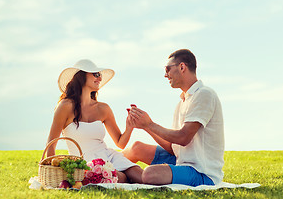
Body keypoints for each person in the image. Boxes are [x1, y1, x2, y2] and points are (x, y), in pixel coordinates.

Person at [123, 49, 225, 186]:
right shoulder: (182, 102)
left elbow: (183, 138)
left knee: (149, 174)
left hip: (201, 172)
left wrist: (150, 124)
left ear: (182, 67)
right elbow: (173, 148)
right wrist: (144, 126)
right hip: (180, 161)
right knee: (136, 148)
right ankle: (103, 171)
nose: (166, 75)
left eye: (167, 69)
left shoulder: (204, 94)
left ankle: (121, 177)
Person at [47, 59, 143, 183]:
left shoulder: (103, 108)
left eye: (100, 75)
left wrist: (129, 127)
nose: (100, 78)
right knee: (122, 178)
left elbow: (120, 143)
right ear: (81, 76)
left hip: (109, 156)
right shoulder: (65, 106)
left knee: (143, 177)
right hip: (86, 164)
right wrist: (52, 170)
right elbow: (51, 143)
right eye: (96, 74)